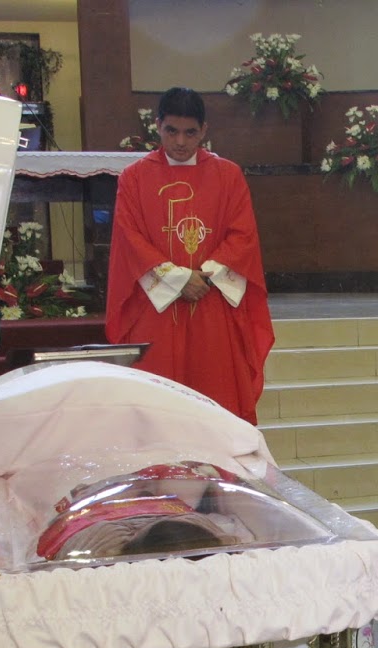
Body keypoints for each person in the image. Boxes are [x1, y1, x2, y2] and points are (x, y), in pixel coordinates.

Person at [106, 87, 274, 424]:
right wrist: (179, 279)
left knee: (215, 393)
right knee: (159, 402)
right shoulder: (134, 178)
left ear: (204, 131)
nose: (181, 142)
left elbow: (242, 234)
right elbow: (130, 237)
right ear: (158, 126)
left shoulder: (228, 175)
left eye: (190, 132)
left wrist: (201, 278)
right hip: (157, 307)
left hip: (210, 301)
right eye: (172, 131)